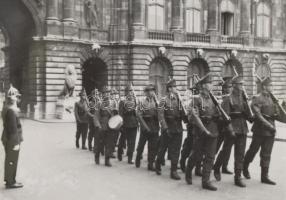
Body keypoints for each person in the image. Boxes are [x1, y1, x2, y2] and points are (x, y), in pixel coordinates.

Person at [243, 77, 286, 185]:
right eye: (271, 85)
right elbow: (258, 115)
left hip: (270, 130)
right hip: (260, 130)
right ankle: (244, 167)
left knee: (266, 153)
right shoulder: (257, 98)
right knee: (253, 151)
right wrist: (269, 126)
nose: (272, 87)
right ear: (264, 86)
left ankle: (264, 176)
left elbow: (277, 115)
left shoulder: (273, 98)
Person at [185, 73, 223, 191]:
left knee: (210, 156)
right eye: (209, 83)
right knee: (197, 154)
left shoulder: (213, 99)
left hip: (213, 129)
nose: (211, 85)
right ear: (203, 86)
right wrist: (204, 130)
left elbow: (217, 114)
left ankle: (206, 181)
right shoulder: (196, 99)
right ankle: (188, 171)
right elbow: (194, 117)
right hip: (200, 131)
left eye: (211, 83)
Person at [213, 76, 253, 187]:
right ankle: (217, 166)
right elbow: (224, 117)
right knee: (226, 151)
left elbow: (248, 115)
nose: (242, 87)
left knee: (240, 154)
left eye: (242, 85)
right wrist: (230, 130)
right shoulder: (228, 99)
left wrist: (249, 110)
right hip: (232, 128)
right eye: (240, 84)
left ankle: (237, 177)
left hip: (242, 128)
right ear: (234, 86)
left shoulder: (243, 98)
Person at [155, 79, 187, 180]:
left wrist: (186, 118)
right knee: (163, 148)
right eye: (173, 87)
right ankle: (158, 162)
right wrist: (165, 128)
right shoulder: (164, 100)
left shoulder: (179, 99)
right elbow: (160, 115)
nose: (175, 89)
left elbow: (183, 113)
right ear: (169, 89)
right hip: (168, 128)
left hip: (178, 127)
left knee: (176, 150)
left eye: (175, 87)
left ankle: (173, 171)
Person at [1, 85, 23, 189]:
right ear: (13, 98)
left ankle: (9, 180)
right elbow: (13, 128)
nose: (18, 99)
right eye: (17, 97)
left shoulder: (7, 108)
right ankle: (11, 182)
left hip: (8, 137)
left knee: (10, 159)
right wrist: (16, 143)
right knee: (12, 160)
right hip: (12, 139)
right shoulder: (11, 110)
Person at [135, 84, 159, 171]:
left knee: (153, 146)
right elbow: (139, 116)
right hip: (146, 125)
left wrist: (157, 101)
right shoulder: (142, 102)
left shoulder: (157, 101)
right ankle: (138, 158)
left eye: (152, 91)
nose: (150, 93)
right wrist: (145, 127)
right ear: (145, 93)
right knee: (141, 144)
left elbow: (160, 113)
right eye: (148, 91)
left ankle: (150, 163)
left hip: (155, 126)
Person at [215, 76, 234, 175]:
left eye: (230, 87)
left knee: (227, 148)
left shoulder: (232, 98)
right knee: (215, 147)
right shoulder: (221, 98)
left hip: (229, 126)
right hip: (221, 126)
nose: (228, 89)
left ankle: (224, 166)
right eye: (226, 87)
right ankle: (207, 164)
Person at [94, 86, 118, 167]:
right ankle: (97, 156)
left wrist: (116, 124)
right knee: (100, 144)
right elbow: (96, 116)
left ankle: (107, 160)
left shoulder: (114, 102)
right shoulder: (99, 103)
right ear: (102, 94)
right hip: (102, 126)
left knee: (109, 144)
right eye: (105, 93)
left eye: (108, 93)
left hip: (111, 126)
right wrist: (98, 125)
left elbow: (116, 115)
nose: (106, 94)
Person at [118, 84, 139, 164]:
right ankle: (119, 152)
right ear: (126, 92)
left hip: (134, 123)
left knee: (132, 142)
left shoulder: (135, 100)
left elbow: (137, 112)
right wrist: (121, 125)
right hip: (125, 123)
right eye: (129, 91)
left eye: (132, 90)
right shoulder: (122, 102)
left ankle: (130, 158)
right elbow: (120, 114)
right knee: (123, 140)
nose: (131, 92)